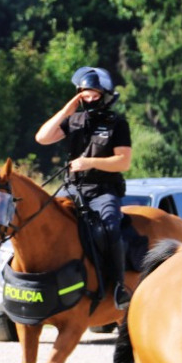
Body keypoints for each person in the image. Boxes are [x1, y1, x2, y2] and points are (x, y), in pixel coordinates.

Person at [35, 66, 134, 310]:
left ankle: (120, 287)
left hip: (103, 190)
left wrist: (88, 162)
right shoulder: (74, 120)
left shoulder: (117, 124)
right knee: (42, 221)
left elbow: (124, 161)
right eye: (84, 95)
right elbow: (43, 138)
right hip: (73, 188)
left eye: (94, 95)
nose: (89, 100)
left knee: (110, 226)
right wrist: (67, 109)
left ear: (105, 95)